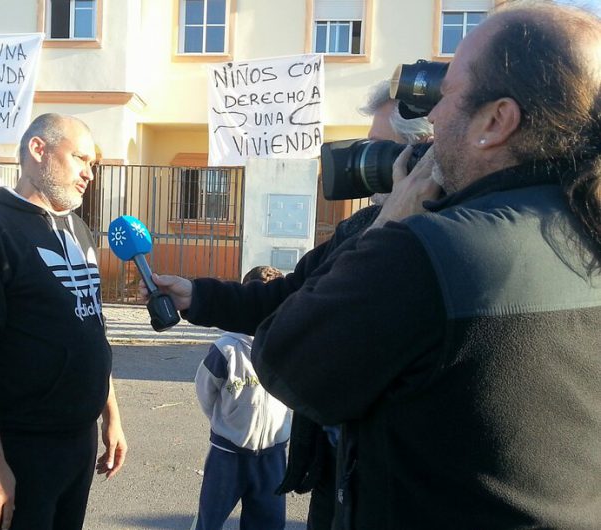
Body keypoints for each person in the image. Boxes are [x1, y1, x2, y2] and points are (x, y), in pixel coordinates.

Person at [245, 4, 601, 528]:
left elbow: (287, 361)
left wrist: (389, 221)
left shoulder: (428, 250)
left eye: (447, 93)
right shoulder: (584, 226)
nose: (431, 117)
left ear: (496, 121)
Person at [146, 85, 431, 530]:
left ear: (421, 159)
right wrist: (197, 296)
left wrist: (396, 218)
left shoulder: (441, 237)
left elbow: (325, 324)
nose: (366, 160)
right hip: (336, 466)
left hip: (395, 484)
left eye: (381, 149)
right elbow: (288, 293)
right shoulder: (360, 225)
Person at [0, 113, 127, 530]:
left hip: (76, 441)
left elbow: (90, 326)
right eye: (80, 158)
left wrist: (110, 415)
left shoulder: (77, 228)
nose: (89, 173)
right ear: (38, 150)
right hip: (18, 446)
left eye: (92, 163)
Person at [194, 265, 290, 530]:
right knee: (209, 520)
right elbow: (205, 391)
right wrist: (224, 422)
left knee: (268, 522)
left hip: (272, 455)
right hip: (228, 453)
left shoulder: (285, 345)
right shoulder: (226, 349)